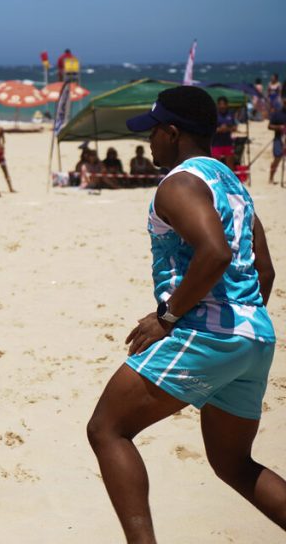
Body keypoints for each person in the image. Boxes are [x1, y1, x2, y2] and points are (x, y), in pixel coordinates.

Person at [87, 85, 285, 541]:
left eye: (153, 131)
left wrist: (168, 317)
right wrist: (240, 331)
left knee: (107, 429)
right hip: (254, 335)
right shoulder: (234, 186)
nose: (148, 141)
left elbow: (213, 253)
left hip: (207, 331)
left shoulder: (179, 183)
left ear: (173, 133)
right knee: (234, 464)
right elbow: (265, 270)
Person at [211, 96, 237, 166]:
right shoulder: (214, 115)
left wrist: (227, 129)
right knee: (216, 166)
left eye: (224, 104)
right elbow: (210, 129)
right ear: (218, 105)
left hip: (228, 143)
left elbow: (235, 127)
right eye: (220, 104)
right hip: (216, 143)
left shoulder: (230, 114)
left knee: (230, 166)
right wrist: (219, 129)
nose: (222, 106)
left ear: (226, 105)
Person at [268, 102, 285, 185]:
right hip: (278, 138)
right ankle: (271, 177)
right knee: (277, 158)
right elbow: (269, 126)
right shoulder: (277, 114)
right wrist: (279, 127)